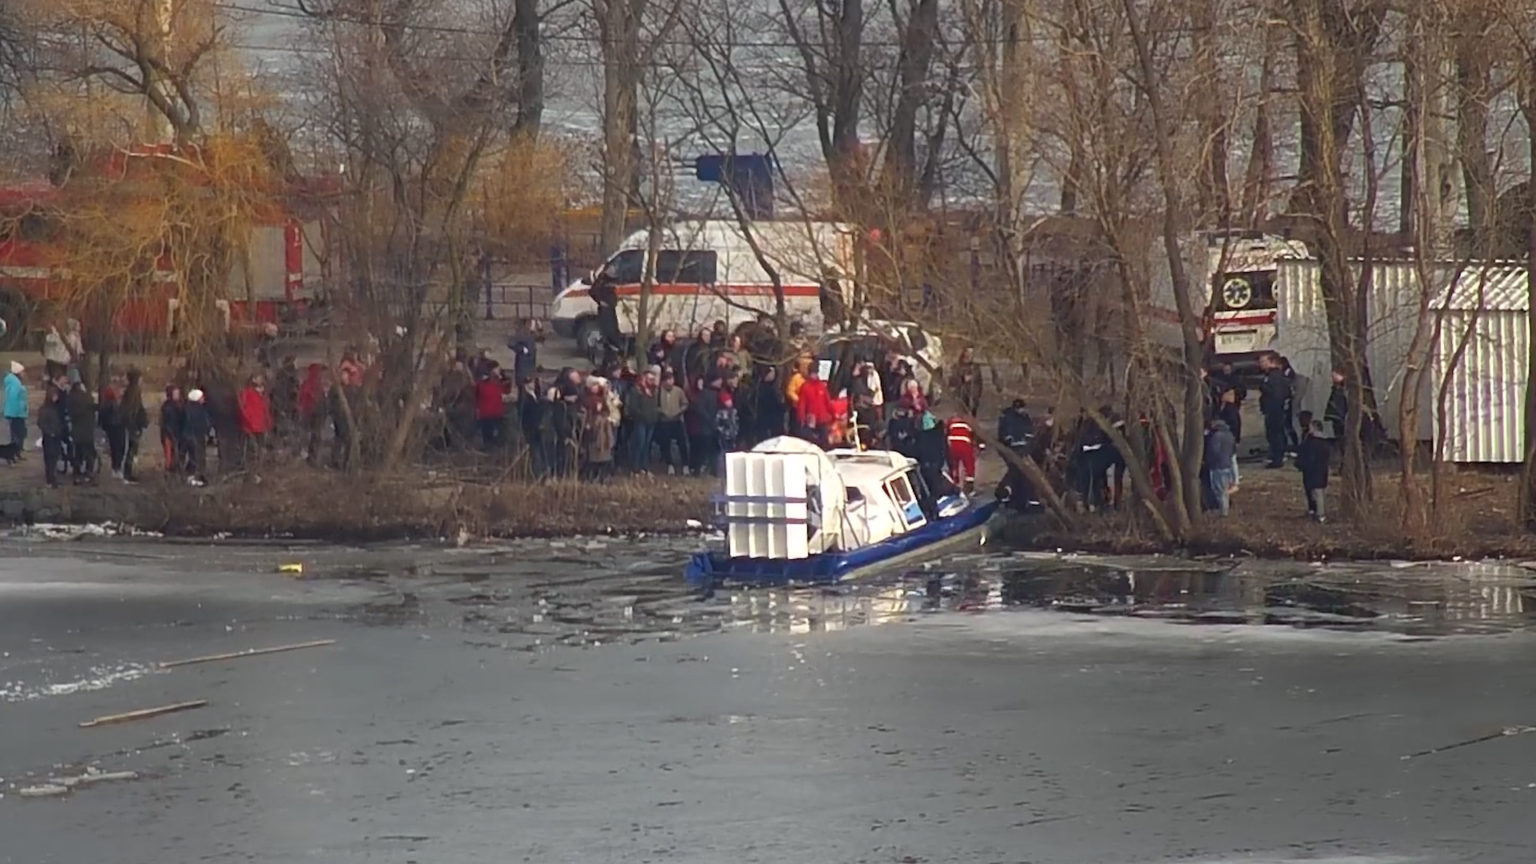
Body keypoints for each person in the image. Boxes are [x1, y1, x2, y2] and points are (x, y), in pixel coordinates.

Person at [1258, 352, 1292, 468]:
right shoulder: (1270, 375)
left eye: (1263, 361)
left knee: (1275, 434)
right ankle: (1275, 456)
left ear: (1271, 362)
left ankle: (1277, 458)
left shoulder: (1275, 376)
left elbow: (1277, 394)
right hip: (1272, 409)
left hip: (1275, 410)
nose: (1261, 364)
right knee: (1274, 434)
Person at [623, 365, 661, 471]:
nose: (651, 381)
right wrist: (642, 415)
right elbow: (633, 407)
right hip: (640, 421)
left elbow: (655, 405)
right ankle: (635, 467)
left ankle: (644, 467)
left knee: (646, 445)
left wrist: (655, 415)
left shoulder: (654, 391)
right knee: (639, 444)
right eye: (649, 379)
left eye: (652, 379)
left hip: (651, 421)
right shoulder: (636, 390)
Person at [580, 378, 617, 479]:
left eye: (596, 385)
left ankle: (602, 474)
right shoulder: (585, 398)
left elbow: (607, 410)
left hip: (603, 428)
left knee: (603, 451)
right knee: (592, 452)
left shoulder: (601, 398)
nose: (596, 387)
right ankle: (590, 474)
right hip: (592, 427)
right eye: (593, 385)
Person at [1296, 419, 1331, 522]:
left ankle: (1320, 514)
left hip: (1314, 471)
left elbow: (1309, 457)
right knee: (1317, 492)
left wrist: (1302, 465)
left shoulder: (1313, 443)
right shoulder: (1325, 443)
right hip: (1321, 471)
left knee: (1317, 493)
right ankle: (1318, 513)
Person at [65, 378, 98, 483]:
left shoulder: (70, 398)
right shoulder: (88, 398)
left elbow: (69, 413)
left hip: (77, 430)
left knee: (77, 453)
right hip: (87, 429)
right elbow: (94, 408)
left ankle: (77, 474)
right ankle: (89, 473)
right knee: (89, 453)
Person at [655, 369, 689, 472]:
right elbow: (655, 405)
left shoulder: (678, 391)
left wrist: (680, 410)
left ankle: (685, 465)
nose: (670, 382)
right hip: (664, 421)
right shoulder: (658, 392)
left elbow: (685, 403)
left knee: (682, 442)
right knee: (666, 443)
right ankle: (669, 464)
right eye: (668, 380)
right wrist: (661, 411)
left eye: (671, 379)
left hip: (677, 420)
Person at [796, 364, 835, 447]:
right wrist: (801, 418)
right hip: (811, 419)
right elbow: (802, 404)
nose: (814, 375)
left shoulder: (822, 386)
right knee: (811, 441)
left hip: (822, 418)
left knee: (824, 440)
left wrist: (833, 414)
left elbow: (827, 402)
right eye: (812, 373)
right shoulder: (805, 387)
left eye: (815, 373)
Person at [120, 367, 148, 482]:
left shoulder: (132, 390)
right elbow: (131, 410)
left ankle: (128, 472)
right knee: (131, 449)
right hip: (132, 425)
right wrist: (135, 425)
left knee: (131, 449)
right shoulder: (134, 391)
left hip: (132, 424)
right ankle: (127, 473)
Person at [1204, 418, 1237, 517]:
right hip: (1227, 464)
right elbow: (1233, 450)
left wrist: (1208, 461)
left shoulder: (1216, 437)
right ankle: (1224, 510)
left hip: (1217, 466)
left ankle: (1223, 512)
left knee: (1219, 490)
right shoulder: (1230, 435)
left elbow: (1213, 451)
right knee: (1225, 489)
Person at [238, 374, 273, 464]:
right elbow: (243, 408)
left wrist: (268, 423)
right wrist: (248, 421)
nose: (261, 379)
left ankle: (257, 469)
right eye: (258, 377)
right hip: (251, 426)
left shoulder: (264, 394)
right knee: (252, 450)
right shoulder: (247, 393)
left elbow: (266, 410)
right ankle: (251, 471)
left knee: (260, 449)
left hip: (261, 425)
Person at [37, 385, 66, 488]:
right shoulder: (45, 409)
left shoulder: (54, 407)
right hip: (49, 437)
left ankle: (53, 479)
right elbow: (41, 423)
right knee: (50, 459)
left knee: (54, 459)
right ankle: (50, 480)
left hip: (56, 435)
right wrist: (50, 432)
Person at [474, 367, 510, 449]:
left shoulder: (482, 385)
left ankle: (490, 448)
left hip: (489, 414)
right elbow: (507, 388)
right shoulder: (495, 385)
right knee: (492, 436)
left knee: (489, 436)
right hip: (492, 414)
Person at [99, 376, 126, 479]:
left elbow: (102, 418)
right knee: (118, 449)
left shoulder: (105, 404)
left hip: (111, 429)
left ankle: (115, 468)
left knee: (114, 449)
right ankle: (117, 468)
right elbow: (119, 415)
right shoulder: (113, 404)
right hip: (117, 428)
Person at [183, 388, 211, 485]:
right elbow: (196, 423)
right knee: (196, 457)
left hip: (197, 435)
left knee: (197, 457)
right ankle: (194, 477)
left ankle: (196, 476)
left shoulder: (197, 408)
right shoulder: (194, 410)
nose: (204, 399)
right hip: (195, 436)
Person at [946, 414, 977, 493]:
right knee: (969, 465)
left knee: (953, 466)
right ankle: (969, 487)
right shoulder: (969, 422)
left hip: (952, 447)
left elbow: (946, 432)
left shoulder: (951, 421)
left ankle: (953, 485)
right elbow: (974, 435)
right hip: (965, 446)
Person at [949, 347, 983, 417]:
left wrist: (978, 395)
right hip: (961, 397)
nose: (969, 355)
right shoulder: (957, 367)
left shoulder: (975, 367)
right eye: (968, 352)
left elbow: (979, 382)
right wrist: (962, 379)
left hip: (973, 396)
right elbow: (952, 382)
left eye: (971, 353)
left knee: (971, 416)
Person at [507, 318, 541, 384]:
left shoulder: (532, 333)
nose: (532, 326)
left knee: (530, 380)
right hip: (523, 362)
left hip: (531, 361)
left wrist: (540, 327)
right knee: (522, 382)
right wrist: (522, 349)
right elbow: (510, 343)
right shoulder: (520, 333)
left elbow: (540, 338)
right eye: (531, 324)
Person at [3, 360, 27, 455]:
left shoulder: (14, 382)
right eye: (22, 371)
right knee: (18, 433)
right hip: (16, 413)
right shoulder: (15, 383)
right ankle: (16, 452)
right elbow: (13, 399)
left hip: (16, 413)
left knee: (17, 433)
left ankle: (16, 452)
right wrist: (17, 412)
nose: (24, 374)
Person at [161, 385, 186, 473]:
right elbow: (166, 423)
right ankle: (169, 472)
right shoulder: (167, 407)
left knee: (177, 454)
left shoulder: (180, 405)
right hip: (169, 434)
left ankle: (175, 470)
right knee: (169, 455)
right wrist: (171, 434)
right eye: (175, 393)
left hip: (178, 432)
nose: (177, 395)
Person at [1324, 369, 1348, 439]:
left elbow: (1340, 406)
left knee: (1339, 434)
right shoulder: (1338, 392)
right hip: (1338, 418)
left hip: (1338, 418)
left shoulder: (1338, 392)